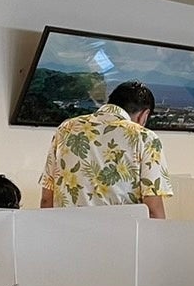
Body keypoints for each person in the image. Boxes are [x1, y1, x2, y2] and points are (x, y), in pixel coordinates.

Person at [39, 80, 173, 217]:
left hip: (65, 228)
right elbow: (153, 210)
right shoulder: (146, 138)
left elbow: (46, 199)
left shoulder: (66, 129)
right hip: (121, 230)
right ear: (144, 115)